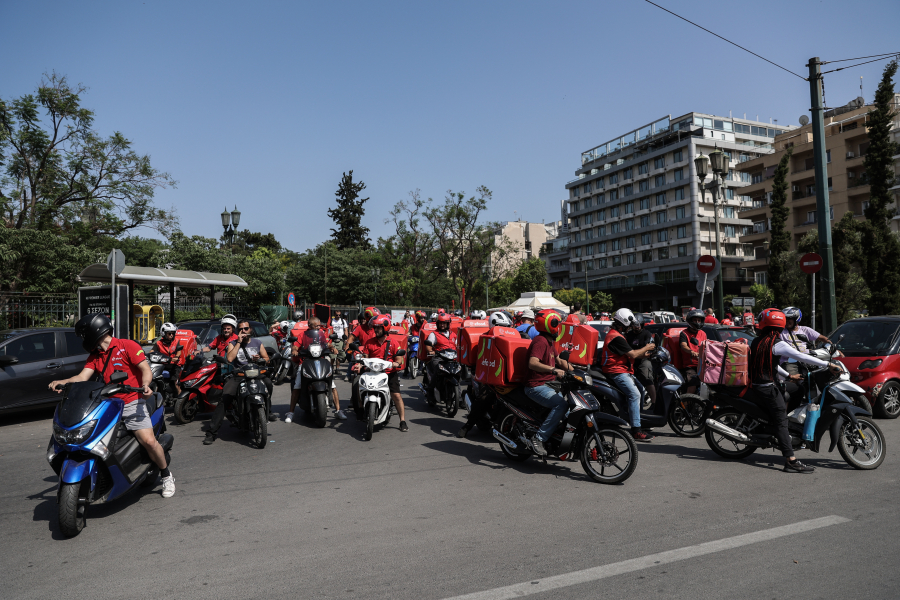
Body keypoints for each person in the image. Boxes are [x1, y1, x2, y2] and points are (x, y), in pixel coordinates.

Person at [49, 314, 175, 498]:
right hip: (109, 403)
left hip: (132, 401)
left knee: (148, 441)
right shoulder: (95, 356)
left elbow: (145, 370)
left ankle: (166, 475)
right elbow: (82, 378)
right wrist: (64, 382)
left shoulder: (127, 346)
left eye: (84, 335)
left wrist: (146, 385)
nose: (84, 340)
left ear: (94, 331)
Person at [748, 309, 842, 473]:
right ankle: (790, 460)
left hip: (759, 384)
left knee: (798, 388)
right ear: (780, 324)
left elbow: (771, 364)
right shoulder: (778, 343)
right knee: (781, 421)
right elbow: (802, 357)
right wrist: (828, 365)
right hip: (768, 387)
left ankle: (789, 424)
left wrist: (788, 376)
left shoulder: (757, 341)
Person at [203, 318, 273, 444]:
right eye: (241, 329)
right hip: (239, 375)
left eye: (246, 328)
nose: (243, 331)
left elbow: (267, 358)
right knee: (225, 398)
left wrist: (259, 359)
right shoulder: (233, 343)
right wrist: (239, 343)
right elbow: (229, 359)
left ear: (250, 329)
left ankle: (268, 410)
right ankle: (211, 433)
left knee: (268, 383)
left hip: (255, 373)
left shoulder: (257, 342)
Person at [600, 308, 656, 442]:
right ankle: (636, 430)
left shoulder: (618, 335)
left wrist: (646, 353)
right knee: (635, 394)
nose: (630, 328)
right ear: (622, 324)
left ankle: (637, 420)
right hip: (616, 371)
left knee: (641, 391)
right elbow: (633, 354)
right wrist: (647, 348)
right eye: (628, 326)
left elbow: (630, 353)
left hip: (624, 370)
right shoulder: (616, 337)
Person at [522, 310, 572, 456]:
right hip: (535, 385)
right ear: (551, 325)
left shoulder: (550, 342)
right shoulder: (540, 341)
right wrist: (553, 370)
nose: (559, 327)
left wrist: (577, 372)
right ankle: (539, 438)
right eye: (557, 324)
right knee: (561, 405)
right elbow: (532, 363)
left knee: (571, 409)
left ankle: (558, 440)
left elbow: (560, 361)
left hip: (549, 384)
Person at [354, 314, 409, 431]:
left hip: (388, 373)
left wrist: (396, 363)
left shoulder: (393, 343)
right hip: (371, 372)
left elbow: (399, 358)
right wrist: (359, 364)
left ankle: (402, 421)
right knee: (358, 385)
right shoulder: (370, 342)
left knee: (397, 395)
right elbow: (365, 357)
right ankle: (360, 409)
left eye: (379, 327)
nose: (376, 330)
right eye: (375, 328)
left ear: (386, 328)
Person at [285, 317, 346, 423]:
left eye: (319, 325)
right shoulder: (302, 335)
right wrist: (294, 350)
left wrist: (332, 348)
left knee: (332, 385)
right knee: (297, 385)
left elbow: (327, 343)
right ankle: (291, 412)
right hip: (306, 361)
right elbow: (296, 346)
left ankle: (338, 410)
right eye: (316, 326)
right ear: (310, 326)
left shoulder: (321, 333)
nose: (318, 327)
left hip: (321, 360)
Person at [780, 307, 835, 376]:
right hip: (789, 361)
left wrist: (832, 347)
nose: (787, 321)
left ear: (796, 319)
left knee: (820, 376)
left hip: (806, 359)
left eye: (789, 318)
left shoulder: (805, 330)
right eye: (785, 319)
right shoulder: (780, 331)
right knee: (795, 380)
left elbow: (823, 339)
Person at [423, 313, 458, 405]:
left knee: (459, 371)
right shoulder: (433, 334)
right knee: (438, 371)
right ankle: (430, 391)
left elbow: (458, 346)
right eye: (440, 323)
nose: (442, 325)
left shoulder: (453, 334)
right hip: (439, 358)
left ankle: (459, 395)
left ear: (448, 324)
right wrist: (431, 351)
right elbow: (428, 345)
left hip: (452, 358)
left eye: (444, 323)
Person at [626, 313, 656, 408]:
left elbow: (648, 349)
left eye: (639, 325)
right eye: (635, 325)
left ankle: (654, 403)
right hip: (631, 360)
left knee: (647, 378)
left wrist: (640, 354)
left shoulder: (646, 334)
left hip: (643, 359)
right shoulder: (628, 335)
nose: (637, 327)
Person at [346, 307, 379, 381]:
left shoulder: (378, 328)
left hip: (375, 350)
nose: (375, 321)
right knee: (354, 357)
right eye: (373, 318)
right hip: (362, 350)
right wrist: (347, 346)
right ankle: (348, 374)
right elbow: (352, 337)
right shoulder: (360, 328)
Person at [679, 309, 707, 394]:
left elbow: (707, 346)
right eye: (695, 320)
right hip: (690, 366)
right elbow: (683, 345)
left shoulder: (703, 333)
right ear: (690, 321)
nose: (697, 322)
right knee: (692, 385)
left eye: (699, 320)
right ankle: (686, 404)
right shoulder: (684, 333)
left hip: (702, 365)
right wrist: (692, 352)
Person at [154, 322, 184, 395]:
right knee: (156, 377)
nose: (171, 335)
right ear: (163, 333)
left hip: (175, 364)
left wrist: (176, 357)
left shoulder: (176, 341)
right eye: (169, 333)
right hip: (163, 364)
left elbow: (179, 352)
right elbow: (152, 351)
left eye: (173, 333)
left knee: (176, 382)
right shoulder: (158, 343)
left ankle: (180, 399)